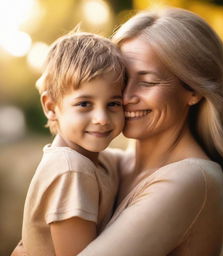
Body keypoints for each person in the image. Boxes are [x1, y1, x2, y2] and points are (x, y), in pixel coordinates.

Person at [11, 7, 223, 256]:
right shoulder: (105, 164)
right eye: (122, 80)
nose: (125, 97)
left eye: (147, 82)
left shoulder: (192, 178)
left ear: (193, 91)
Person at [19, 31, 126, 256]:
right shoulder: (71, 169)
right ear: (50, 107)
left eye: (113, 103)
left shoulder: (95, 159)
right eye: (85, 103)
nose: (102, 118)